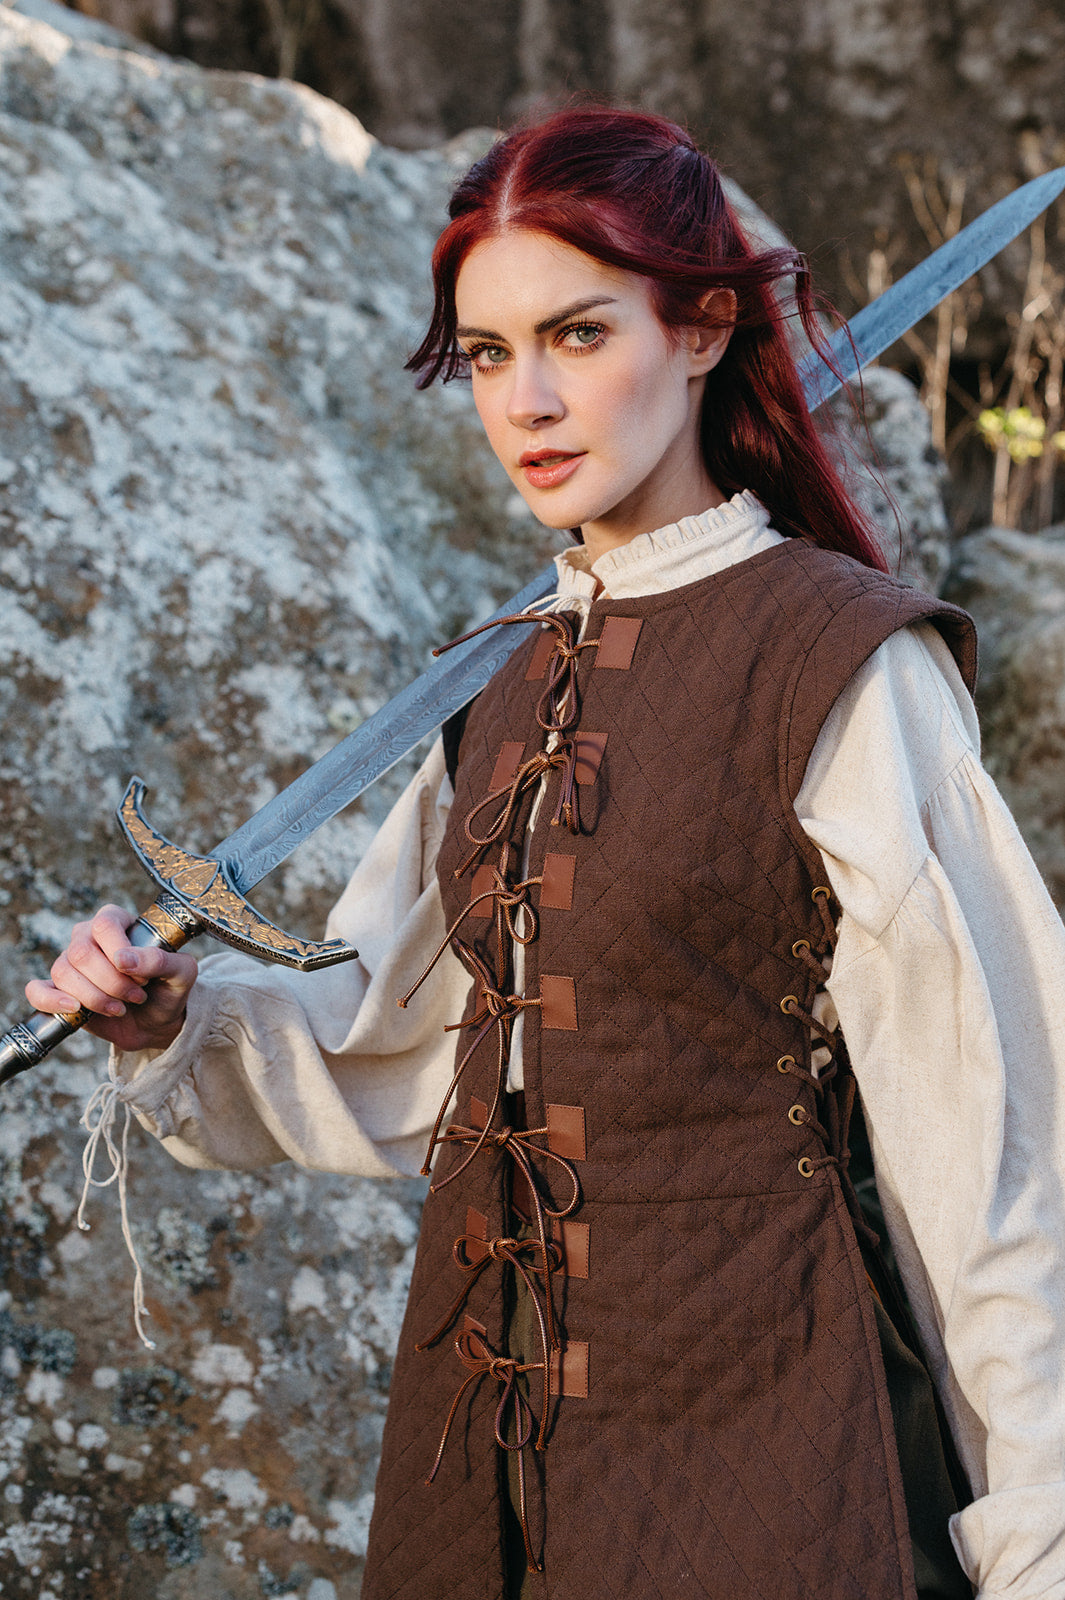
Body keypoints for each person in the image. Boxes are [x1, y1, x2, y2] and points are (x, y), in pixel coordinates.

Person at [26, 107, 1065, 1600]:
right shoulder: (493, 683)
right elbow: (413, 1052)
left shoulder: (838, 664)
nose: (528, 401)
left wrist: (1029, 1535)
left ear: (702, 330)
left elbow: (996, 1142)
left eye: (578, 335)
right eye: (489, 355)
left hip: (755, 1433)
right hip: (480, 1437)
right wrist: (177, 1022)